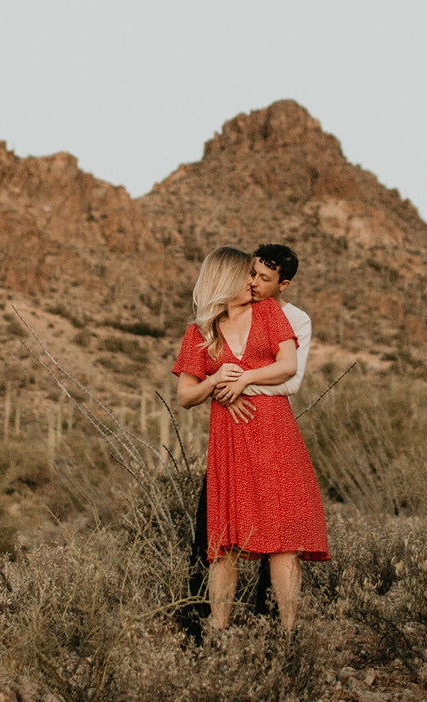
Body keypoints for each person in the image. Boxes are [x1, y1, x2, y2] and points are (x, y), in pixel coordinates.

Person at [173, 246, 330, 632]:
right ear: (225, 280)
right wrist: (215, 380)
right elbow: (185, 396)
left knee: (283, 536)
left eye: (258, 276)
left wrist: (242, 380)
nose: (252, 281)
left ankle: (288, 631)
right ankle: (217, 632)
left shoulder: (270, 313)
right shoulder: (199, 332)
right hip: (229, 440)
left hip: (275, 433)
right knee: (223, 539)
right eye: (247, 274)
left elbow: (289, 368)